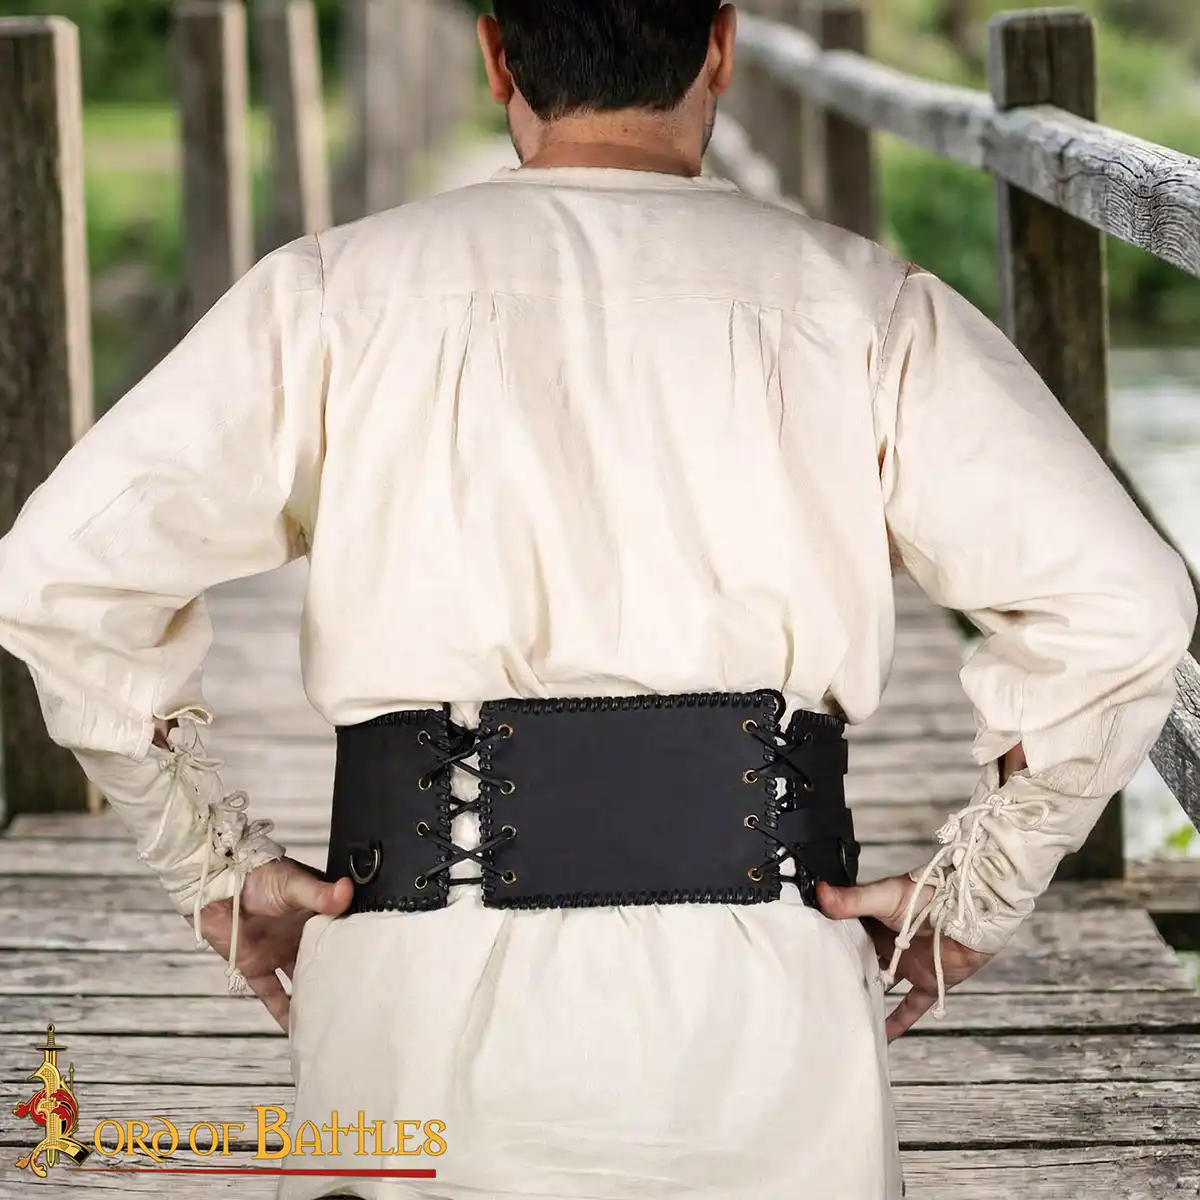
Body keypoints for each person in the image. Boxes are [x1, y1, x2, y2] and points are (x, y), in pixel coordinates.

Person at [0, 2, 1194, 1197]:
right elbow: (1125, 606)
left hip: (417, 1006)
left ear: (496, 56)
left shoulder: (329, 296)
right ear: (719, 46)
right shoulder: (867, 307)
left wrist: (212, 864)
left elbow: (57, 576)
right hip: (766, 1022)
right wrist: (974, 893)